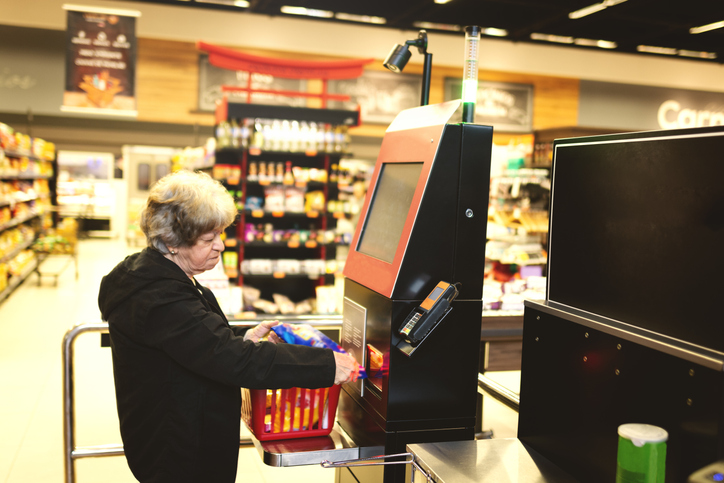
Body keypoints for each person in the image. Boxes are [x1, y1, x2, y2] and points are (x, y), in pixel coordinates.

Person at [98, 170, 358, 483]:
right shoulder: (159, 296)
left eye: (221, 234)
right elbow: (231, 358)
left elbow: (195, 343)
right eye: (209, 239)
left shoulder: (167, 278)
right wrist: (327, 365)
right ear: (171, 242)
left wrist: (242, 337)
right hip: (176, 452)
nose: (221, 246)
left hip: (181, 433)